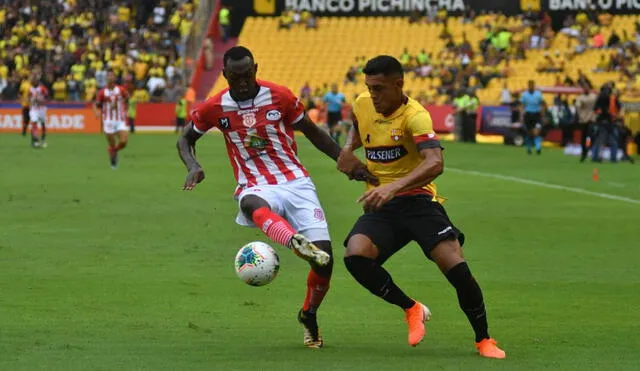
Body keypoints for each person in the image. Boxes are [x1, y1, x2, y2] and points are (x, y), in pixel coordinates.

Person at [177, 46, 373, 349]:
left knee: (325, 263)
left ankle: (308, 315)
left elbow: (313, 131)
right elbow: (186, 138)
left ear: (255, 68)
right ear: (224, 74)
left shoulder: (279, 96)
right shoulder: (215, 107)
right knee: (250, 203)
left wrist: (344, 161)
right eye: (235, 76)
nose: (242, 81)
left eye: (247, 74)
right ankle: (293, 241)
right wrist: (193, 166)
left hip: (296, 183)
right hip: (254, 184)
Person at [336, 55, 506, 359]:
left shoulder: (416, 116)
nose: (373, 95)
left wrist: (393, 187)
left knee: (457, 269)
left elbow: (435, 162)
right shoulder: (363, 103)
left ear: (398, 84)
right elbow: (359, 126)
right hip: (382, 205)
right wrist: (348, 150)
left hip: (417, 201)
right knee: (356, 256)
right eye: (369, 88)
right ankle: (411, 308)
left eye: (379, 88)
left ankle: (484, 340)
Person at [95, 70, 130, 169]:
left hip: (120, 120)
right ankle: (113, 162)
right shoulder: (102, 92)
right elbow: (97, 104)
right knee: (112, 143)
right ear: (106, 78)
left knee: (123, 142)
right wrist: (97, 112)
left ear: (115, 78)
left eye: (112, 76)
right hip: (108, 121)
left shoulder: (121, 90)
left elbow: (127, 99)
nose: (110, 77)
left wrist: (126, 109)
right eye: (108, 76)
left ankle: (113, 151)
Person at [520, 80, 546, 155]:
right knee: (529, 133)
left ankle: (538, 148)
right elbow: (522, 105)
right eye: (529, 85)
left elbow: (542, 104)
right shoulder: (524, 95)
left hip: (536, 114)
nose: (531, 86)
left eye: (532, 85)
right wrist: (521, 116)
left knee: (536, 131)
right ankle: (529, 148)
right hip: (528, 115)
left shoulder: (538, 94)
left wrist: (543, 115)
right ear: (528, 86)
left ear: (534, 85)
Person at [574, 88, 597, 162]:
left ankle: (588, 149)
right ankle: (584, 152)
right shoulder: (580, 98)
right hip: (583, 120)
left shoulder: (593, 97)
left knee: (590, 135)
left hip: (591, 119)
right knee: (584, 137)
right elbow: (578, 108)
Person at [28, 75, 49, 148]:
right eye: (32, 81)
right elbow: (29, 98)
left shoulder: (42, 88)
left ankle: (43, 139)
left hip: (42, 109)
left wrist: (41, 100)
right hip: (34, 109)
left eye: (34, 81)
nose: (33, 82)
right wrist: (31, 101)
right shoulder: (30, 89)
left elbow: (47, 97)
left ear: (37, 81)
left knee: (43, 124)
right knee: (34, 123)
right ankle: (35, 141)